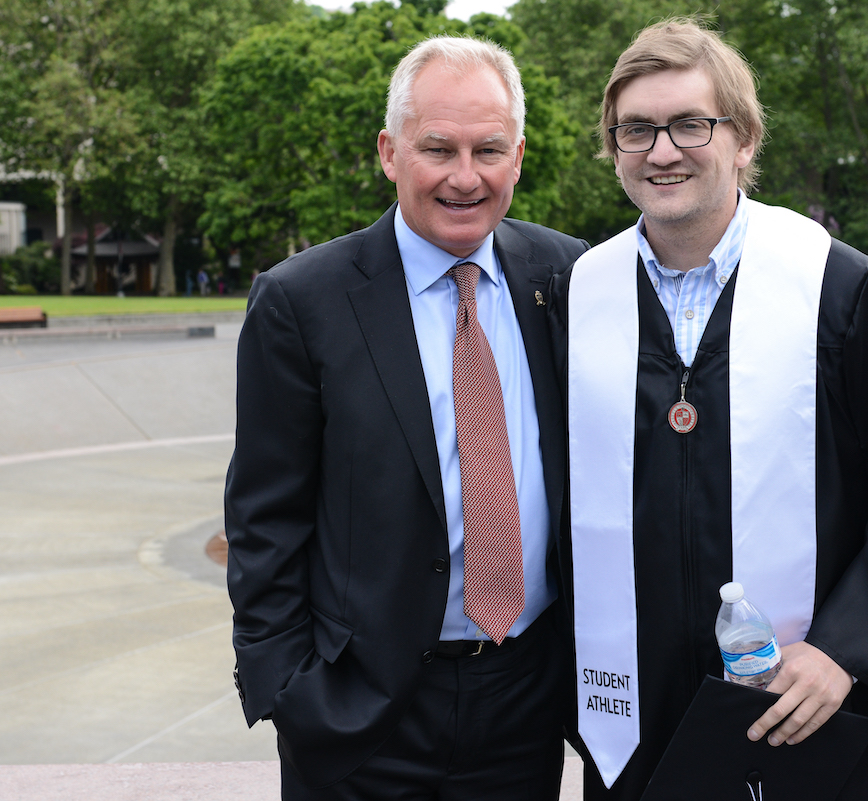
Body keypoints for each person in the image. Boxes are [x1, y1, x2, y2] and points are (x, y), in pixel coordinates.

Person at [551, 19, 868, 801]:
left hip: (819, 705)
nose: (662, 151)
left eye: (692, 124)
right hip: (642, 709)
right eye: (636, 130)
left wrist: (847, 648)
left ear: (745, 138)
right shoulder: (579, 297)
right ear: (613, 147)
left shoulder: (839, 289)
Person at [225, 35, 587, 801]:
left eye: (488, 149)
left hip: (526, 701)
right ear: (390, 153)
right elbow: (265, 516)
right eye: (437, 148)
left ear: (519, 157)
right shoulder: (302, 301)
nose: (465, 176)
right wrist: (290, 689)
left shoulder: (572, 279)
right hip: (360, 710)